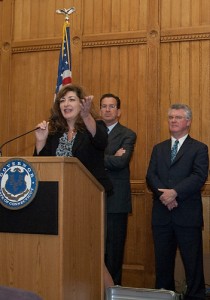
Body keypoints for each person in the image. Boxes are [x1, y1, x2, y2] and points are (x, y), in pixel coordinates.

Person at [33, 83, 114, 289]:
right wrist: (40, 142)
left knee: (92, 255)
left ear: (82, 104)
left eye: (71, 99)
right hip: (59, 202)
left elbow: (101, 142)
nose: (66, 104)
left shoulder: (94, 127)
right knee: (65, 253)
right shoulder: (55, 133)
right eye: (62, 100)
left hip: (89, 200)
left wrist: (87, 117)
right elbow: (43, 167)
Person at [146, 103, 209, 300]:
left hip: (187, 215)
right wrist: (165, 197)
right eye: (171, 117)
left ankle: (196, 296)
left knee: (193, 263)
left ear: (188, 122)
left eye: (178, 117)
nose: (173, 120)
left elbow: (199, 176)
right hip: (162, 215)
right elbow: (151, 176)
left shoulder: (199, 148)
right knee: (163, 264)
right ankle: (164, 296)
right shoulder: (159, 148)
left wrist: (175, 193)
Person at [99, 93, 137, 285]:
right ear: (99, 110)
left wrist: (99, 159)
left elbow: (121, 161)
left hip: (116, 201)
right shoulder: (89, 132)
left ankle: (113, 291)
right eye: (104, 106)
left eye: (111, 106)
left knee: (114, 251)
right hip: (91, 199)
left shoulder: (128, 134)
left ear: (119, 112)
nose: (107, 109)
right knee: (95, 250)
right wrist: (110, 156)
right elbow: (82, 159)